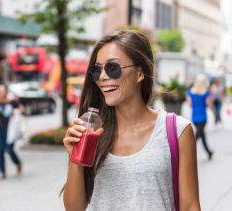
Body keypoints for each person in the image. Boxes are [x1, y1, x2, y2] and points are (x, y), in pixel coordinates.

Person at [61, 30, 201, 211]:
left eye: (112, 68)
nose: (102, 77)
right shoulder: (92, 132)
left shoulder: (177, 131)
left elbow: (190, 206)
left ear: (139, 73)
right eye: (97, 70)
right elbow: (74, 208)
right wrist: (75, 158)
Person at [0, 84, 24, 180]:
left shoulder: (13, 102)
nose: (1, 93)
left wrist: (14, 111)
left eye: (3, 91)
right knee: (0, 151)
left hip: (11, 130)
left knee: (9, 150)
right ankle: (2, 172)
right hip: (0, 130)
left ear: (6, 91)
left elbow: (22, 109)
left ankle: (17, 162)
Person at [187, 74, 216, 160]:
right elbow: (208, 104)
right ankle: (188, 150)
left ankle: (209, 152)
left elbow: (190, 104)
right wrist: (214, 112)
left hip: (194, 117)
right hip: (203, 117)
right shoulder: (206, 93)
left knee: (202, 134)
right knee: (197, 135)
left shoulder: (190, 92)